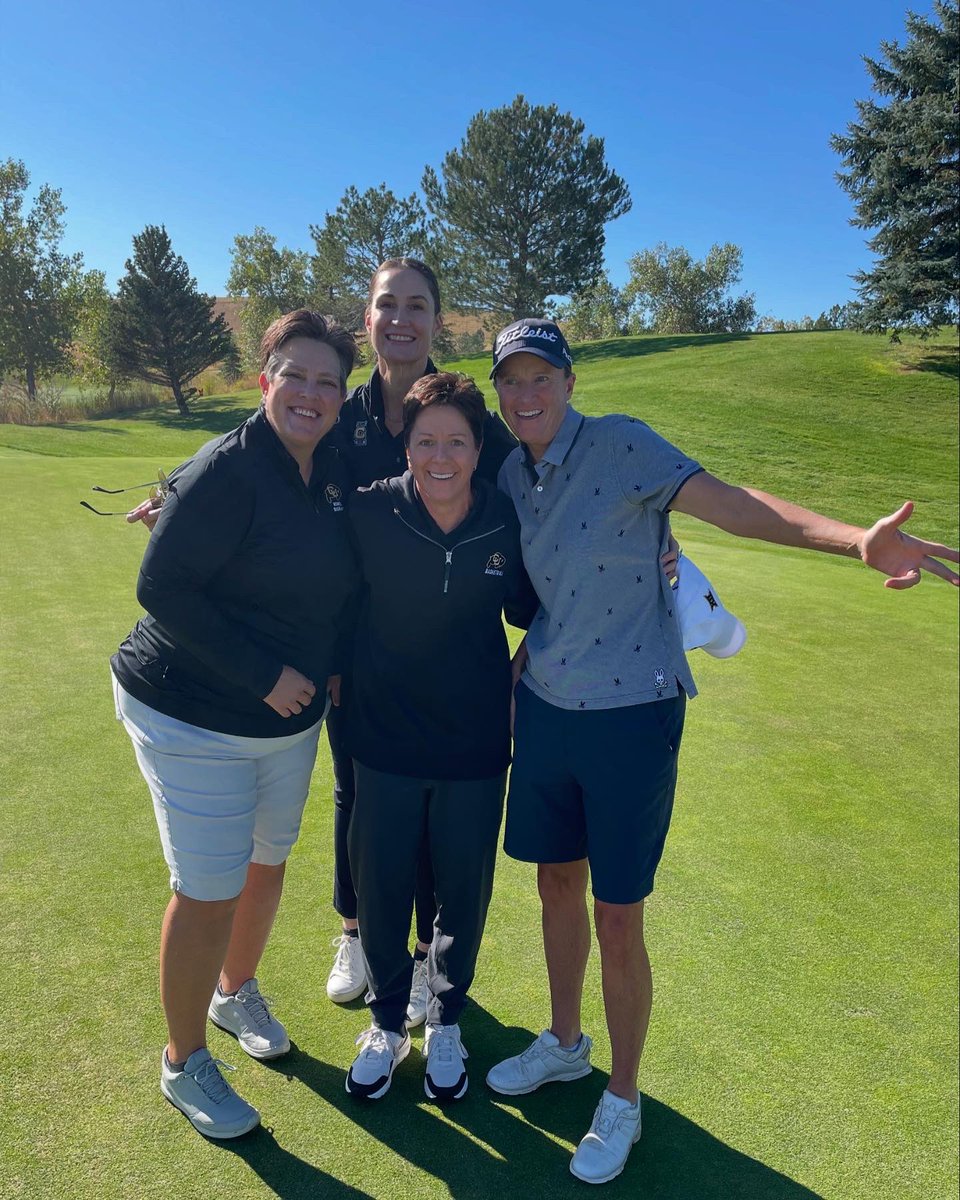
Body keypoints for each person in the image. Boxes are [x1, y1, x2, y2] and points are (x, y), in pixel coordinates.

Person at [483, 317, 959, 1185]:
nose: (526, 395)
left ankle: (621, 1095)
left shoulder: (625, 446)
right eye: (510, 381)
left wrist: (855, 539)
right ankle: (564, 1043)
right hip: (547, 705)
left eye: (540, 377)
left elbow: (736, 506)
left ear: (569, 380)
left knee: (617, 914)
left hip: (633, 713)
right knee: (556, 882)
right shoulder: (511, 472)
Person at [112, 311, 359, 1139]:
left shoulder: (326, 466)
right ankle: (183, 1062)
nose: (312, 394)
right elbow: (163, 589)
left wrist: (316, 665)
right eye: (296, 375)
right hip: (188, 712)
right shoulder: (226, 468)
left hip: (284, 723)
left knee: (267, 864)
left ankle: (232, 992)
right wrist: (266, 675)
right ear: (265, 381)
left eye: (328, 381)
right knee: (209, 890)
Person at [322, 258, 517, 1020]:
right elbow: (264, 450)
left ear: (437, 321)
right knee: (358, 793)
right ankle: (353, 931)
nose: (400, 319)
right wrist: (173, 489)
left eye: (417, 306)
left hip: (455, 674)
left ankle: (427, 967)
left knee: (443, 820)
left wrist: (654, 534)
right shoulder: (339, 410)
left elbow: (542, 482)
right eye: (386, 305)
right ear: (366, 318)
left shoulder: (466, 413)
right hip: (363, 660)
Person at [341, 372, 539, 1102]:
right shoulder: (368, 512)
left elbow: (545, 603)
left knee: (462, 891)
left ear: (477, 447)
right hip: (384, 738)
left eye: (457, 440)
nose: (442, 456)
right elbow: (293, 550)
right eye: (427, 441)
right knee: (384, 887)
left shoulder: (504, 522)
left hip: (475, 744)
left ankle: (446, 1017)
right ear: (407, 444)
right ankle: (389, 1022)